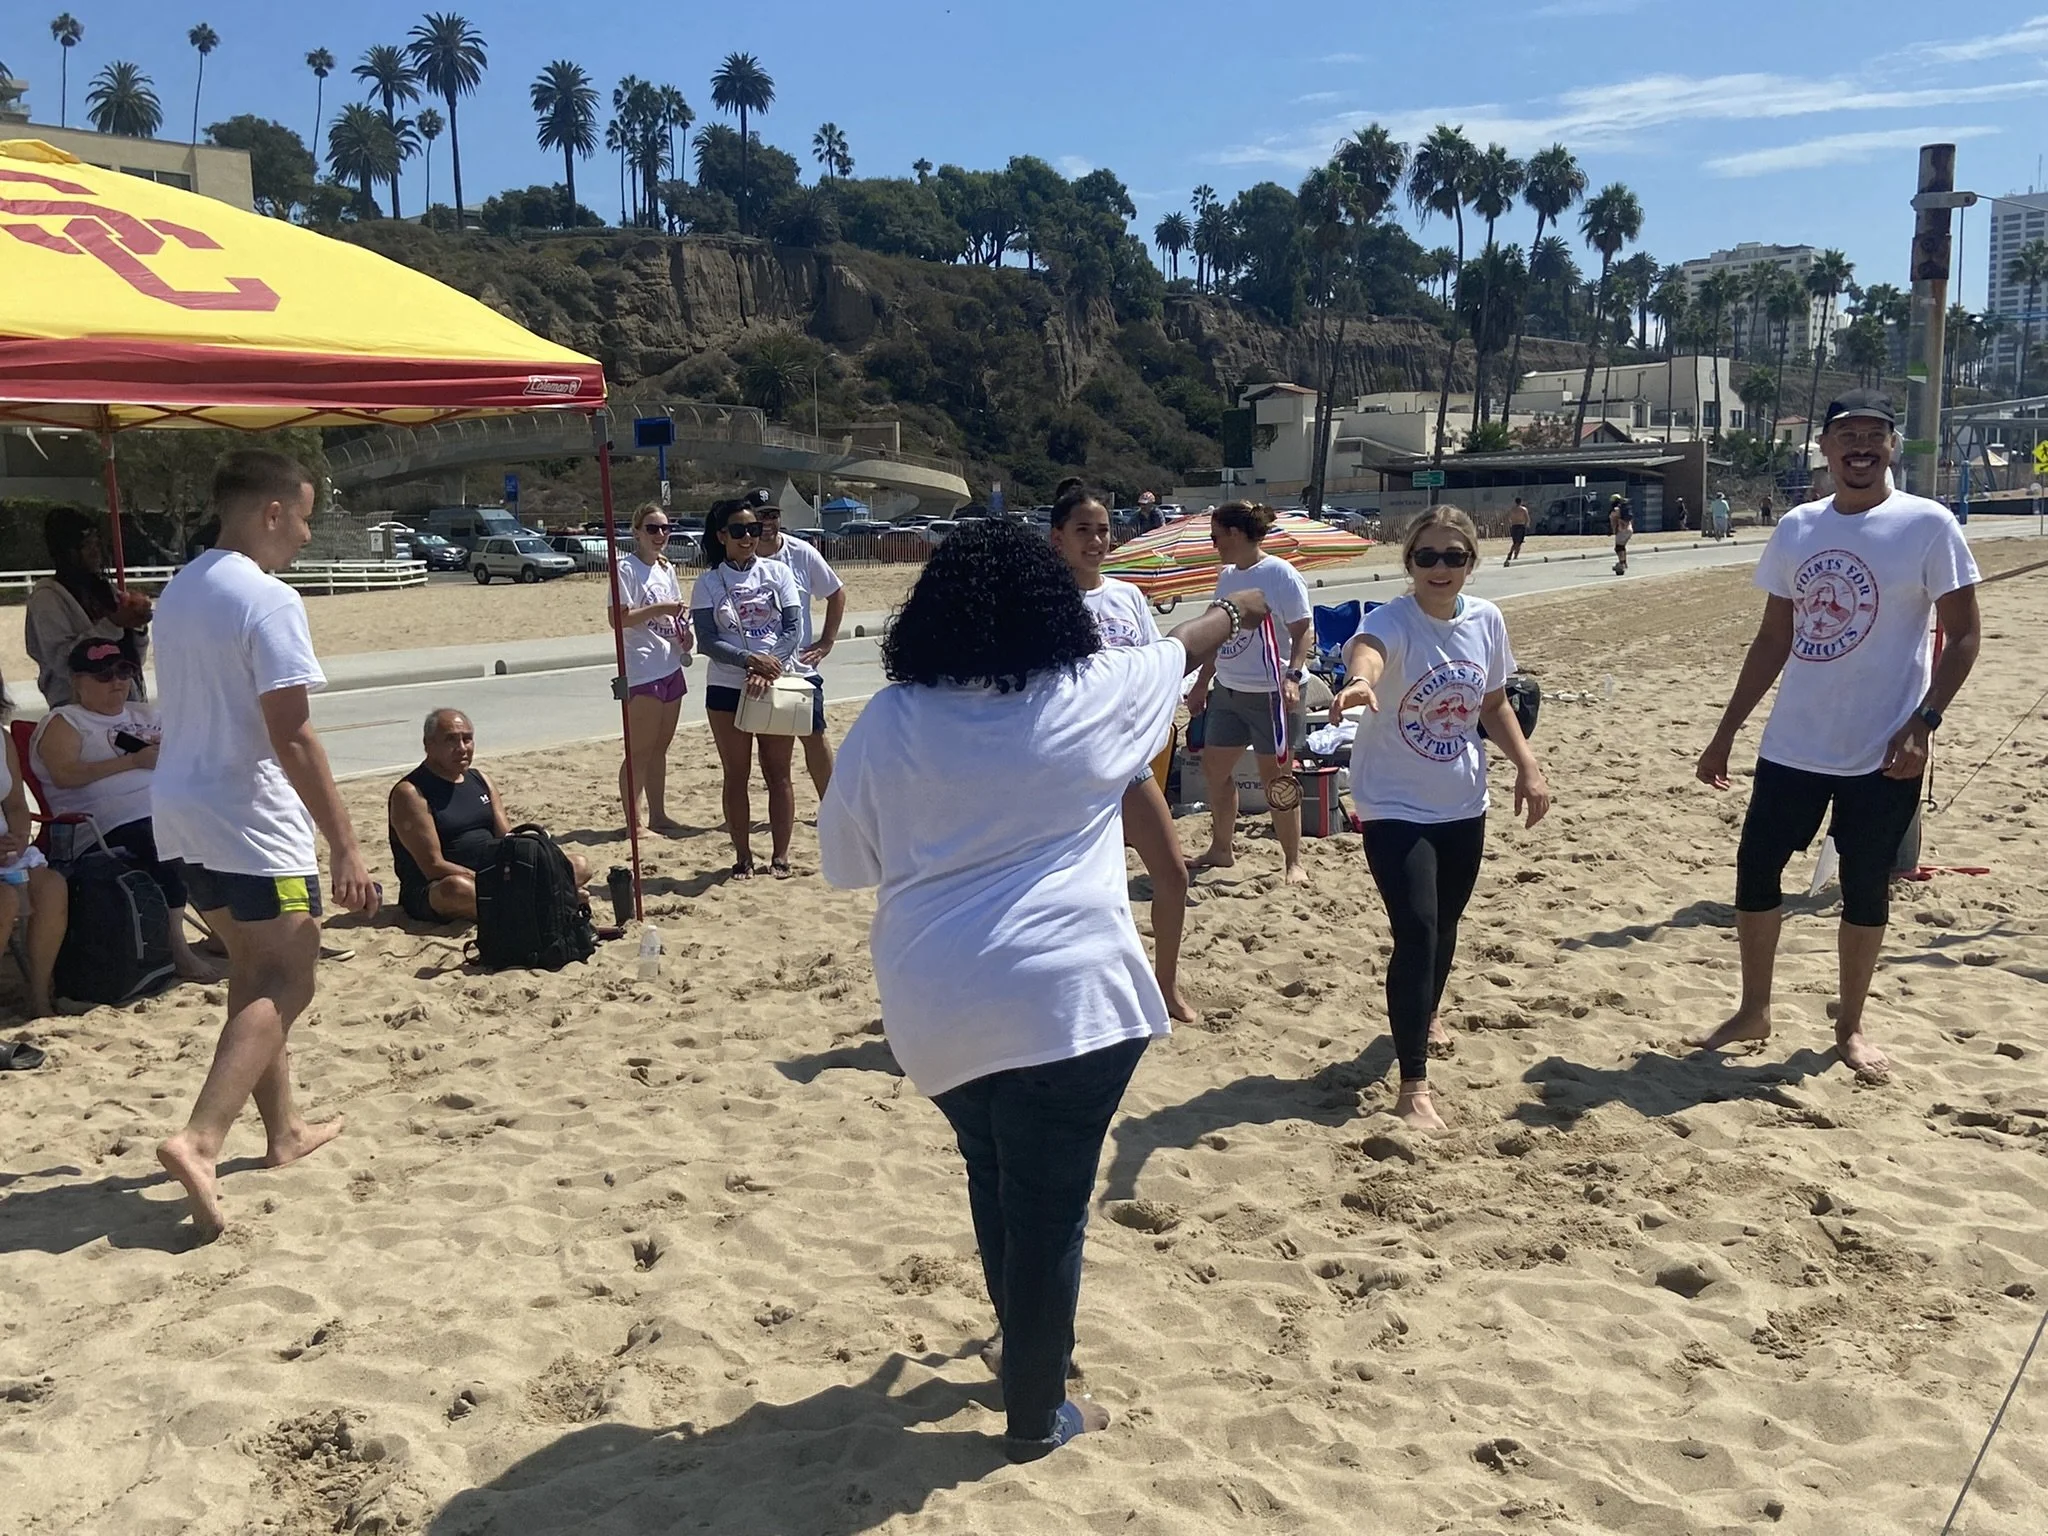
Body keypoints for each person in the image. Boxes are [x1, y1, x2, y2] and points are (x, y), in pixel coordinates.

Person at [819, 521, 1270, 1460]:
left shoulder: (891, 721)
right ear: (1054, 608)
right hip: (1067, 1002)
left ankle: (1017, 1348)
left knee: (995, 1174)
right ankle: (1037, 1414)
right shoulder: (1092, 691)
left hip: (934, 1004)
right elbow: (1181, 645)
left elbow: (849, 866)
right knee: (1048, 1211)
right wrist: (1238, 608)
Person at [1694, 391, 1981, 1078]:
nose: (1860, 446)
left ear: (1891, 446)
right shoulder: (1798, 527)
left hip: (1885, 750)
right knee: (1756, 872)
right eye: (1847, 435)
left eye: (1874, 434)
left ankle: (1850, 1026)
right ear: (1824, 448)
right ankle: (1754, 1009)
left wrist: (1924, 724)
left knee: (1865, 886)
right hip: (1794, 744)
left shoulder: (1928, 524)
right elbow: (1773, 638)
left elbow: (1966, 635)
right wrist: (1725, 732)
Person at [152, 451, 379, 1240]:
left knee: (252, 972)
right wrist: (345, 844)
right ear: (272, 512)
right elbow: (293, 734)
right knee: (289, 977)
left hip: (180, 809)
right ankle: (200, 1139)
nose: (308, 535)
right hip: (247, 813)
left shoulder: (179, 589)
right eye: (305, 517)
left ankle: (284, 1131)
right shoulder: (267, 596)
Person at [1330, 507, 1550, 1131]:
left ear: (1471, 563)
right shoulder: (1392, 620)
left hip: (1461, 800)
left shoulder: (1486, 620)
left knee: (1445, 924)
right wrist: (1358, 683)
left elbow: (1493, 702)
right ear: (1410, 562)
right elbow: (1369, 652)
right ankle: (1413, 1087)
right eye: (1427, 556)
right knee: (1418, 930)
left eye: (1454, 556)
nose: (1440, 567)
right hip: (1392, 802)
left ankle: (1426, 1012)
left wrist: (1528, 766)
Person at [1048, 482, 1195, 1023]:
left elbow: (1155, 662)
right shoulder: (1046, 601)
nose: (1096, 540)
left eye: (1103, 530)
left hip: (1128, 760)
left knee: (1172, 874)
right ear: (1058, 538)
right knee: (1080, 888)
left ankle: (1165, 985)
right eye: (1083, 530)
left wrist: (1187, 691)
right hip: (1069, 765)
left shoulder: (1128, 596)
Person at [28, 638, 216, 982]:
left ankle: (224, 930)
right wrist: (132, 762)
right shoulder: (65, 722)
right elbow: (64, 774)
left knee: (218, 827)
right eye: (103, 675)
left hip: (164, 808)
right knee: (164, 838)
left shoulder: (145, 713)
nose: (116, 682)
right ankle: (178, 947)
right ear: (77, 681)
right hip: (101, 823)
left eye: (123, 672)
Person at [1186, 502, 1314, 887]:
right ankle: (1221, 848)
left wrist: (1292, 675)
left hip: (1273, 694)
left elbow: (1303, 630)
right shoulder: (1226, 576)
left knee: (1276, 780)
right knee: (1214, 769)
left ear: (1236, 534)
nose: (1213, 545)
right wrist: (1201, 683)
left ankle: (1293, 861)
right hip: (1229, 690)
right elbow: (1219, 634)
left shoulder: (1279, 574)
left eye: (1216, 537)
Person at [388, 708, 591, 923]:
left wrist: (524, 869)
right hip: (441, 886)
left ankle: (522, 904)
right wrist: (490, 882)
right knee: (457, 889)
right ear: (428, 744)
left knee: (577, 865)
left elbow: (507, 838)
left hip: (496, 875)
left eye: (467, 739)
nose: (462, 748)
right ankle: (542, 903)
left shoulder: (480, 779)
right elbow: (433, 866)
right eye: (451, 740)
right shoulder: (411, 792)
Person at [692, 500, 803, 878]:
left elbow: (793, 628)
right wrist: (749, 661)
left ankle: (781, 855)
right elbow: (707, 640)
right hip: (727, 685)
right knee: (736, 773)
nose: (747, 538)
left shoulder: (777, 572)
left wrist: (769, 666)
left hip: (775, 682)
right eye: (738, 531)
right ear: (722, 535)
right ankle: (743, 856)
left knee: (779, 773)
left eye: (753, 530)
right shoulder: (708, 582)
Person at [610, 501, 691, 835]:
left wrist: (684, 635)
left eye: (665, 528)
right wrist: (661, 608)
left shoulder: (665, 567)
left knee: (660, 748)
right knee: (639, 751)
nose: (660, 534)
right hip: (642, 669)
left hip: (670, 663)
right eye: (652, 528)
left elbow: (676, 613)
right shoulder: (625, 568)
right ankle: (634, 822)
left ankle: (658, 815)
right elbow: (619, 618)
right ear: (637, 532)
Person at [756, 501, 847, 796]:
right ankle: (782, 810)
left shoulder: (800, 552)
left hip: (800, 668)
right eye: (759, 516)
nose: (766, 522)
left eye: (772, 515)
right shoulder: (743, 554)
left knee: (815, 736)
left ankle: (831, 805)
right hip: (762, 669)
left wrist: (826, 642)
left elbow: (836, 592)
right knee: (772, 748)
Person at [26, 507, 153, 710]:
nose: (96, 552)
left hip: (124, 705)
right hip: (77, 710)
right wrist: (114, 624)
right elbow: (63, 661)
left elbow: (135, 659)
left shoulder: (104, 590)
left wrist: (137, 625)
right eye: (86, 546)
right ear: (67, 552)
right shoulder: (47, 598)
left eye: (97, 544)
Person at [0, 677, 68, 1020]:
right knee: (5, 900)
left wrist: (18, 837)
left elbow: (15, 804)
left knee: (52, 887)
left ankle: (38, 996)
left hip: (5, 853)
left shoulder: (1, 739)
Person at [1610, 494, 1634, 574]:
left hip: (1622, 530)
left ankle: (1622, 563)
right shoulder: (1625, 509)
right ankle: (1624, 562)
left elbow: (1614, 520)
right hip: (1629, 529)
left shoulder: (1616, 510)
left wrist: (1613, 530)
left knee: (1618, 548)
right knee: (1622, 547)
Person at [1505, 497, 1530, 565]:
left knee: (1515, 542)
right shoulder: (1523, 509)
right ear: (1521, 502)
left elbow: (1507, 517)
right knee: (1519, 542)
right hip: (1521, 525)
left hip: (1514, 526)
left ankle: (1512, 553)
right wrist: (1526, 525)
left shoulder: (1512, 509)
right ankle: (1514, 555)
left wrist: (1510, 523)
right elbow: (1527, 518)